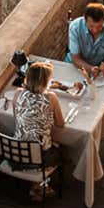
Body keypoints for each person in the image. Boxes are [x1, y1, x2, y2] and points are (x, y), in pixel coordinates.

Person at [11, 61, 66, 199]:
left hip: (16, 155)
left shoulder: (18, 93)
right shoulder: (51, 97)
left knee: (36, 142)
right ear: (45, 81)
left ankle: (36, 185)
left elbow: (16, 116)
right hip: (39, 158)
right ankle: (39, 185)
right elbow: (60, 124)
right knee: (63, 150)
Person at [67, 2, 104, 77]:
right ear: (84, 19)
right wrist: (90, 68)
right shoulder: (75, 28)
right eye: (91, 26)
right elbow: (75, 58)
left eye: (99, 26)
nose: (95, 30)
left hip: (100, 72)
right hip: (75, 66)